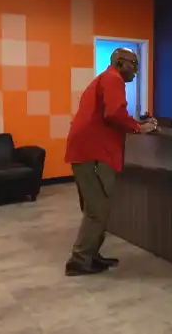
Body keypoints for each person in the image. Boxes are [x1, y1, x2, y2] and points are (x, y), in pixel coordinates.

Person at [64, 47, 157, 276]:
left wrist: (133, 123)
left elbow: (110, 113)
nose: (136, 69)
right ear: (120, 62)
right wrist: (137, 126)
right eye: (133, 63)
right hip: (94, 153)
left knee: (96, 208)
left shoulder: (105, 79)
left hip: (86, 151)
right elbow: (114, 113)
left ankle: (91, 255)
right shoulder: (113, 79)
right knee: (97, 209)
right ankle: (79, 260)